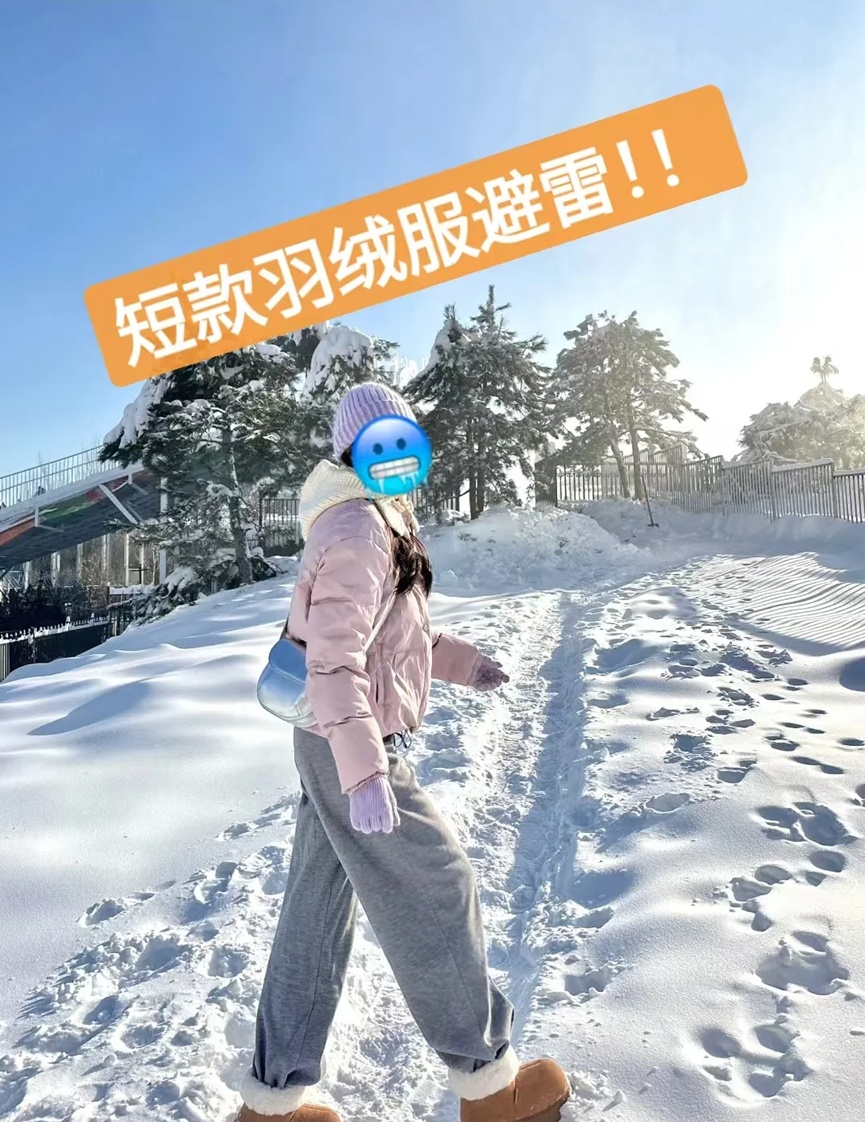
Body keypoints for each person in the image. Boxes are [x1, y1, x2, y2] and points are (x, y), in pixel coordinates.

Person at [238, 383, 570, 1122]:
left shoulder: (376, 518)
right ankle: (492, 1089)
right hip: (348, 744)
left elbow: (395, 637)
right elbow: (333, 660)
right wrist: (364, 773)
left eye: (402, 438)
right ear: (350, 453)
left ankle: (272, 1103)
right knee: (437, 886)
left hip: (333, 738)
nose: (392, 454)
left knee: (314, 913)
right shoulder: (360, 530)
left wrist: (462, 663)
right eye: (376, 443)